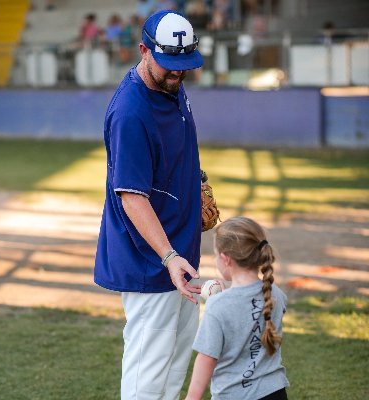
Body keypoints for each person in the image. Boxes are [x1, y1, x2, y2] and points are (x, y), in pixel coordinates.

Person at [94, 9, 204, 400]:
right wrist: (170, 255)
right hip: (152, 259)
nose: (177, 74)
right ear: (143, 50)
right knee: (147, 371)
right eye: (169, 66)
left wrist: (199, 182)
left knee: (175, 361)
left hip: (180, 254)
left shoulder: (171, 85)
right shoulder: (131, 113)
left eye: (184, 66)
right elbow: (131, 197)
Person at [186, 216, 289, 400]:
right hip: (275, 392)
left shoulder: (218, 306)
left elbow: (206, 358)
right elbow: (249, 315)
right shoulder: (275, 294)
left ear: (225, 259)